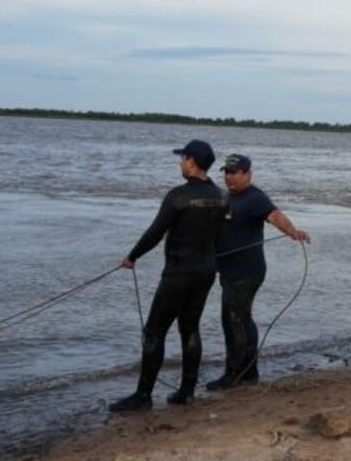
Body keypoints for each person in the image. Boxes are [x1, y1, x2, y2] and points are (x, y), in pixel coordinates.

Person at [109, 140, 226, 412]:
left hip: (179, 273)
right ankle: (186, 392)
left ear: (192, 162)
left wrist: (132, 256)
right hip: (206, 271)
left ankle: (143, 395)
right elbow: (219, 236)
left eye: (183, 158)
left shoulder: (178, 196)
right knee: (190, 328)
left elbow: (155, 232)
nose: (180, 163)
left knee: (154, 332)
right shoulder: (221, 197)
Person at [205, 154, 310, 391]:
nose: (229, 177)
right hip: (229, 270)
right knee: (242, 318)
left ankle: (232, 374)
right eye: (227, 172)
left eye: (234, 172)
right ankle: (249, 372)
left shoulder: (255, 198)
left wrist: (293, 231)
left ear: (248, 174)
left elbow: (275, 215)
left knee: (233, 320)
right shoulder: (227, 196)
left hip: (246, 271)